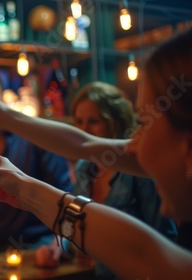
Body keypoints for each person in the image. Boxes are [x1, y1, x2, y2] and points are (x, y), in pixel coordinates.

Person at [0, 27, 192, 278]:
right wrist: (3, 117)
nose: (134, 145)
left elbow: (146, 256)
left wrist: (26, 191)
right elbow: (83, 144)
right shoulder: (94, 166)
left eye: (144, 125)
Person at [33, 82, 176, 279]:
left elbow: (165, 238)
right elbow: (71, 221)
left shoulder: (137, 171)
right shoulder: (85, 169)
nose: (84, 130)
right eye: (79, 121)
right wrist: (57, 246)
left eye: (94, 121)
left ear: (115, 123)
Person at [0, 74, 73, 251]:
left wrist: (58, 244)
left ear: (3, 99)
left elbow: (68, 198)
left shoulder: (32, 139)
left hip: (40, 246)